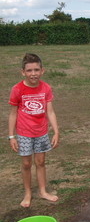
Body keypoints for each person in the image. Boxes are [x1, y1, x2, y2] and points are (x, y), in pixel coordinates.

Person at [8, 53, 59, 208]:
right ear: (23, 72)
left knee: (41, 162)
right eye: (29, 70)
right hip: (23, 133)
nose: (33, 74)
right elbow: (12, 114)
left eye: (36, 70)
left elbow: (50, 112)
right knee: (26, 164)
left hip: (41, 132)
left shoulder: (46, 88)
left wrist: (56, 131)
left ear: (42, 71)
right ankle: (27, 193)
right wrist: (11, 136)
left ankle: (42, 191)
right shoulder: (17, 89)